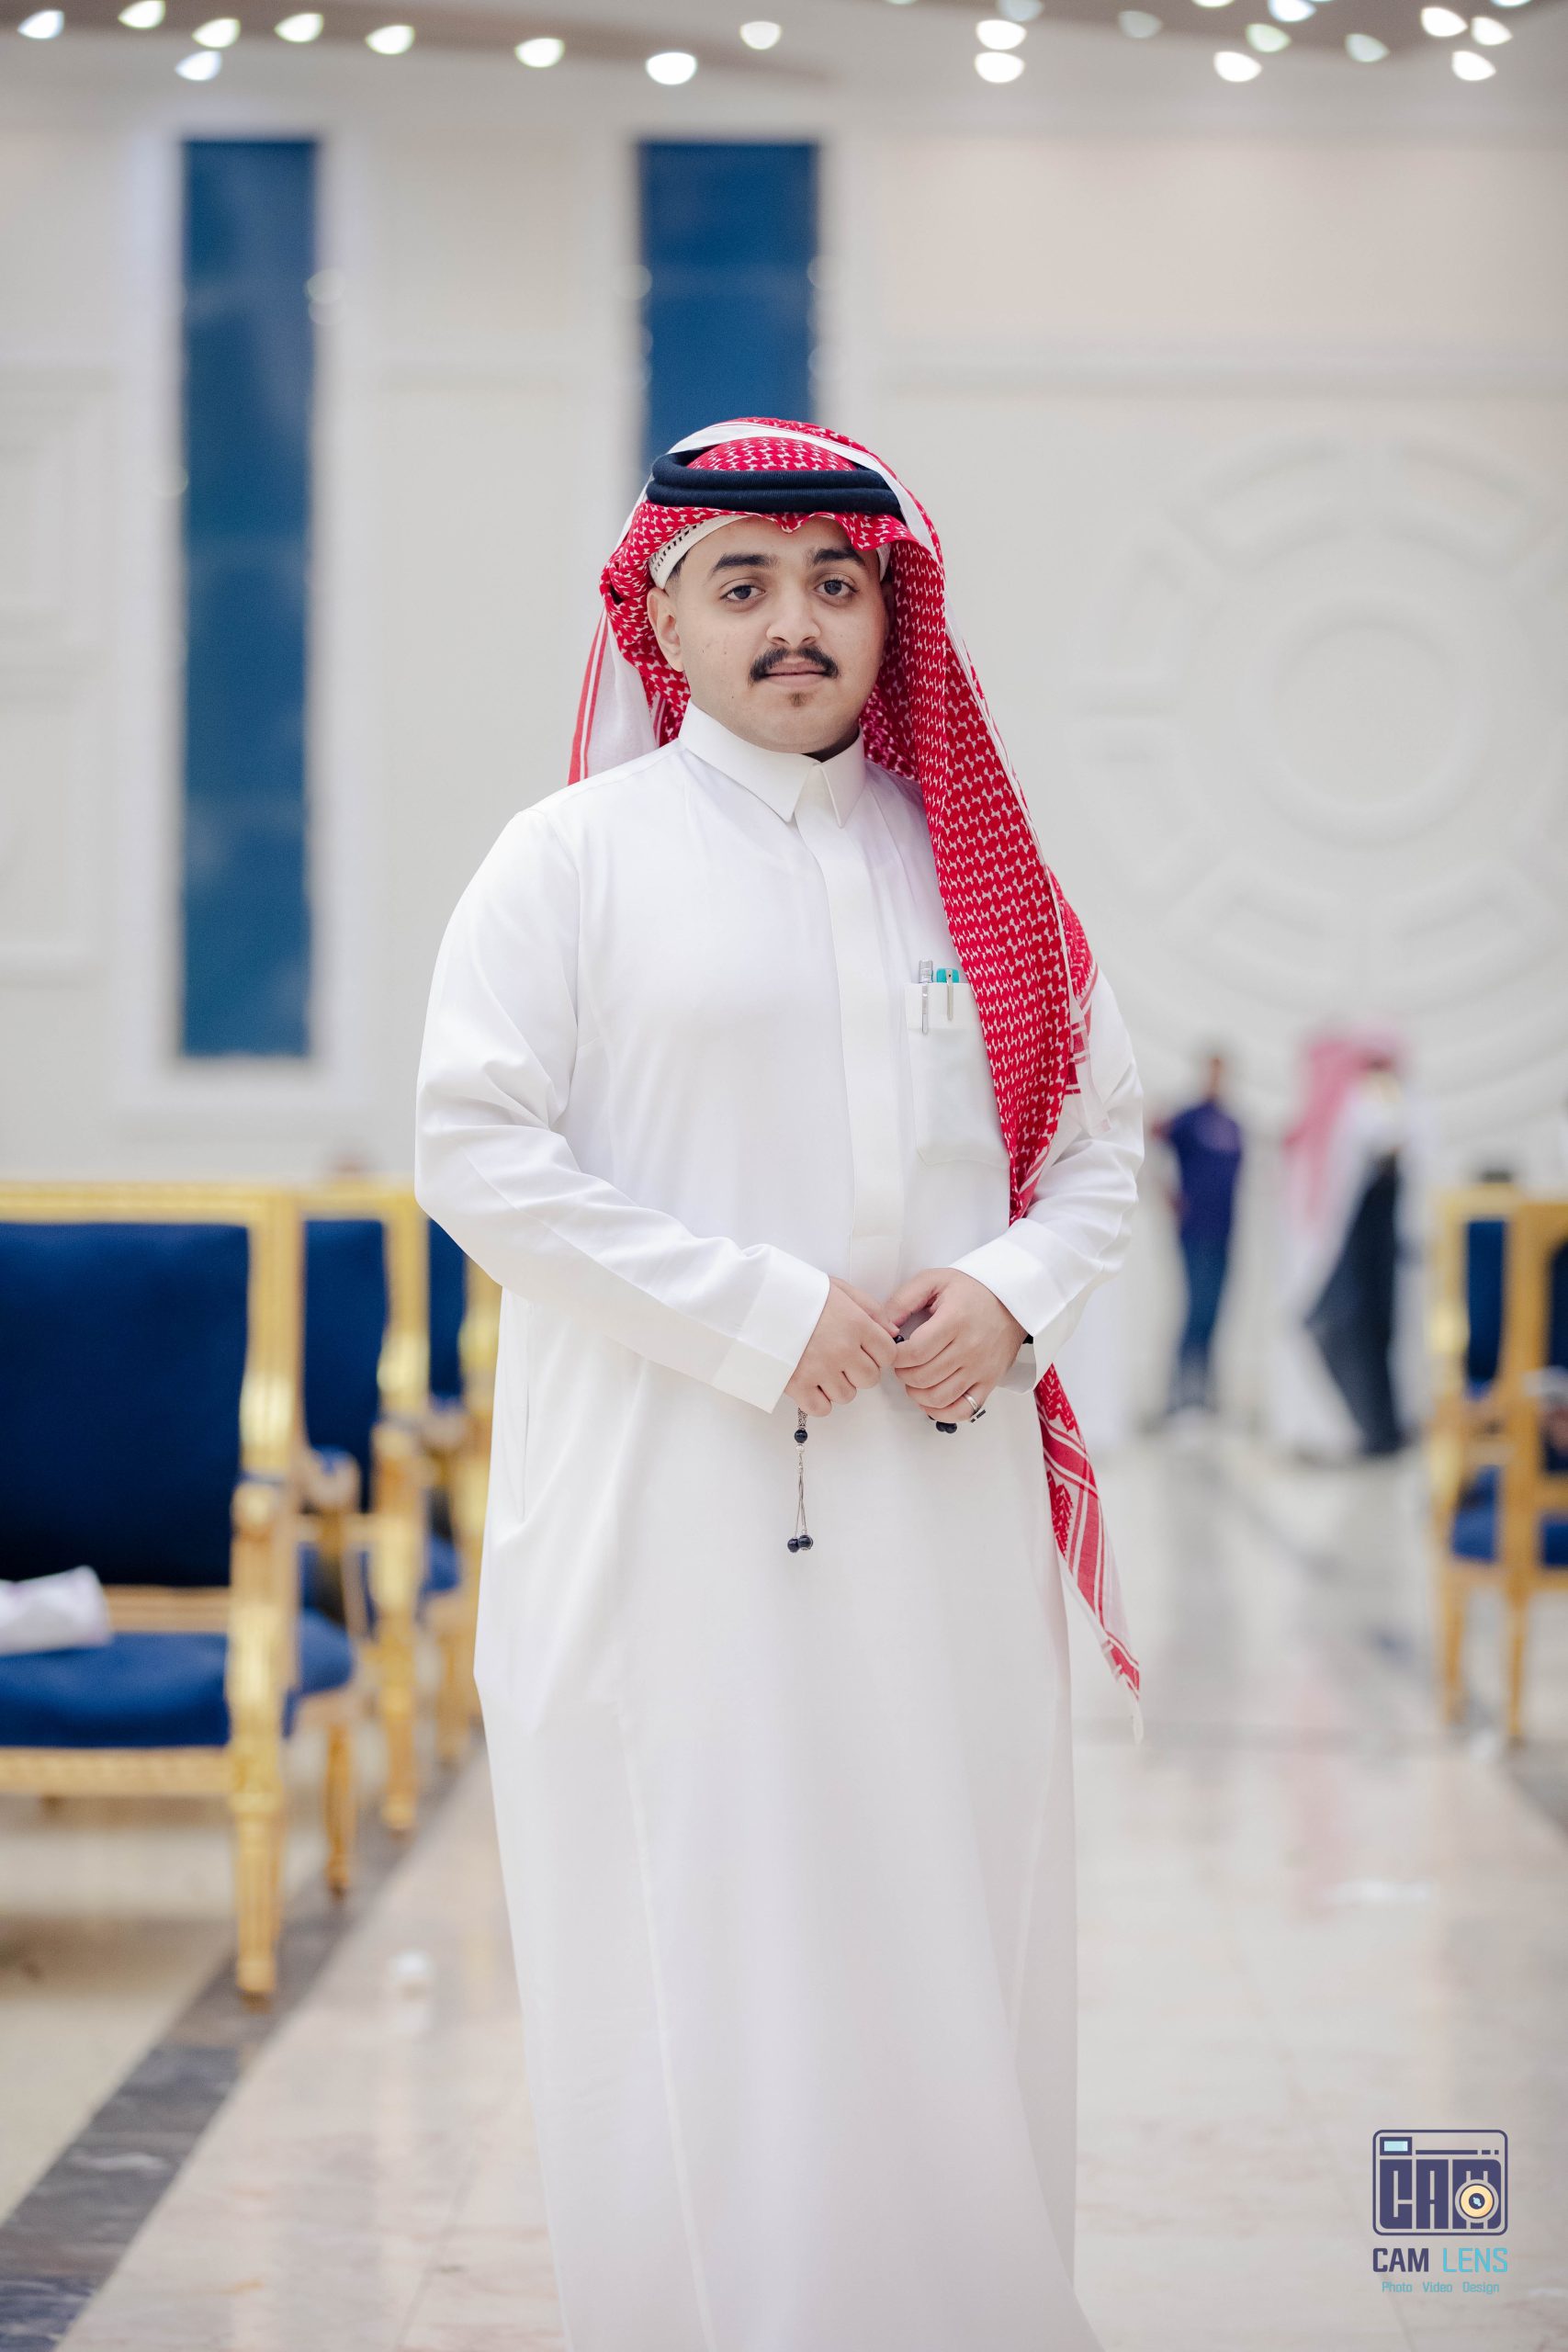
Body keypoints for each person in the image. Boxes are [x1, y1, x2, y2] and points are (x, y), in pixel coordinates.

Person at [414, 419, 1145, 2352]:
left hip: (940, 1504)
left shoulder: (977, 870)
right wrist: (745, 1310)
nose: (792, 621)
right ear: (659, 619)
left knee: (942, 1920)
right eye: (740, 583)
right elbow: (472, 1151)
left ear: (891, 617)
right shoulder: (568, 861)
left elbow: (1096, 1147)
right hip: (665, 1503)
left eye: (834, 583)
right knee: (701, 1932)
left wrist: (1010, 1289)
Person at [1272, 1026, 1428, 1459]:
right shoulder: (1329, 1116)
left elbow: (1390, 1147)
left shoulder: (1371, 1104)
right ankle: (1348, 1431)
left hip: (1356, 1258)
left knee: (1368, 1338)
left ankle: (1375, 1431)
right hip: (1333, 1259)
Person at [1156, 1050, 1244, 1413]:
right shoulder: (1189, 1119)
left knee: (1215, 1312)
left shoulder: (1233, 1125)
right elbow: (1153, 1139)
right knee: (1196, 1308)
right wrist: (1167, 1194)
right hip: (1195, 1230)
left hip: (1225, 1231)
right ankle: (1179, 1391)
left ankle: (1205, 1389)